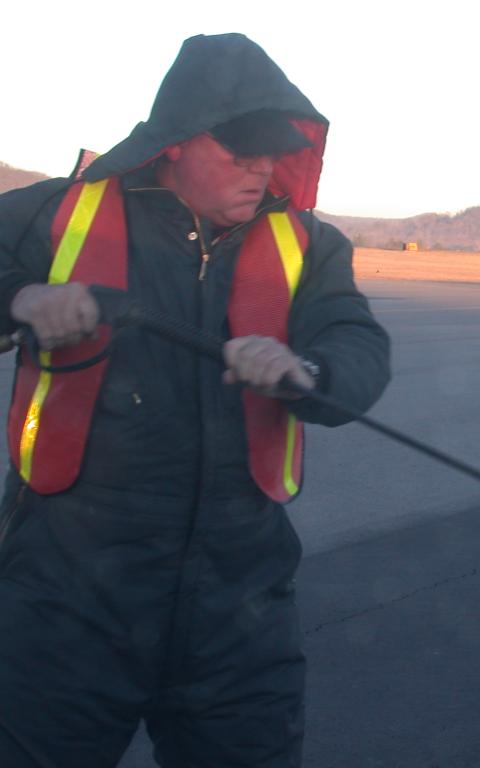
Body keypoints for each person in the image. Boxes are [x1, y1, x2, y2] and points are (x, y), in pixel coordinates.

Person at [0, 33, 390, 767]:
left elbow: (358, 348)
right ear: (176, 141)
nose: (262, 168)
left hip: (239, 615)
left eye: (271, 151)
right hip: (64, 605)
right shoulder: (53, 213)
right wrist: (20, 296)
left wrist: (307, 369)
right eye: (239, 150)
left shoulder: (311, 246)